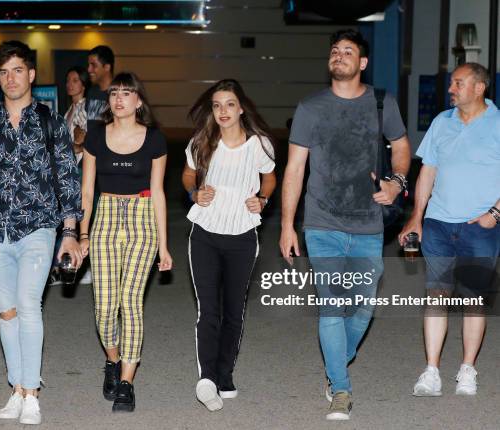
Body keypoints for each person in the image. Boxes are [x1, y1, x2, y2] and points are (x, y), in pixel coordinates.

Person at [279, 29, 410, 420]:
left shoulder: (382, 104)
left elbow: (401, 147)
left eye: (348, 51)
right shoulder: (309, 107)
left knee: (363, 310)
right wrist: (287, 224)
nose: (339, 56)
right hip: (322, 223)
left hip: (369, 223)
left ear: (362, 63)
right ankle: (341, 388)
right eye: (335, 51)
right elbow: (295, 169)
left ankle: (336, 363)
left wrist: (397, 182)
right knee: (332, 308)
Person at [0, 41, 83, 425]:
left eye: (18, 70)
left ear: (31, 74)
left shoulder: (50, 121)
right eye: (3, 71)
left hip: (38, 228)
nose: (11, 78)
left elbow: (67, 176)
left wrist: (71, 231)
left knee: (29, 305)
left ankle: (32, 392)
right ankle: (16, 388)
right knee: (7, 312)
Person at [399, 62, 500, 397]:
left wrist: (495, 214)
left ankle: (467, 369)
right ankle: (431, 370)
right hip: (439, 224)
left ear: (480, 87)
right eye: (452, 82)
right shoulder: (442, 122)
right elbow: (427, 171)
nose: (451, 88)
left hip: (480, 227)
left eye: (458, 82)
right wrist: (416, 216)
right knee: (436, 295)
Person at [79, 71, 172, 412]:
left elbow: (160, 193)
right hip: (104, 218)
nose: (119, 98)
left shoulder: (155, 140)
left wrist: (164, 245)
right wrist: (82, 233)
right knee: (104, 307)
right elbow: (87, 191)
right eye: (114, 93)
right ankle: (112, 361)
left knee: (130, 302)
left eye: (127, 93)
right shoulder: (95, 136)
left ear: (138, 101)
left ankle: (127, 382)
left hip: (142, 217)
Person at [182, 79, 276, 412]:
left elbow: (269, 176)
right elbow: (188, 175)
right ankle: (206, 378)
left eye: (229, 104)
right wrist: (195, 193)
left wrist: (262, 199)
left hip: (242, 235)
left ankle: (224, 374)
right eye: (217, 105)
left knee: (233, 311)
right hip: (205, 232)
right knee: (209, 310)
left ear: (241, 108)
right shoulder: (201, 141)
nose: (223, 111)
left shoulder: (259, 144)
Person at [48, 66, 91, 287]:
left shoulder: (84, 110)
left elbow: (83, 142)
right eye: (68, 80)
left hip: (80, 169)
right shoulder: (70, 110)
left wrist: (65, 148)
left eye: (75, 80)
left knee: (74, 217)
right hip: (69, 170)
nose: (70, 84)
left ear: (84, 84)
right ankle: (66, 265)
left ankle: (72, 266)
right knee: (67, 217)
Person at [86, 45, 114, 124]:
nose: (89, 69)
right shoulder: (92, 92)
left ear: (107, 67)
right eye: (89, 65)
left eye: (93, 65)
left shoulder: (119, 94)